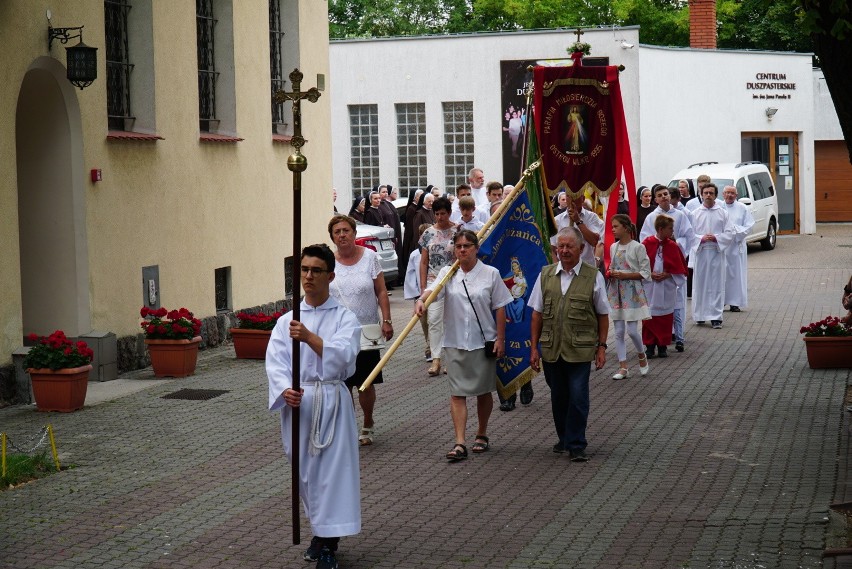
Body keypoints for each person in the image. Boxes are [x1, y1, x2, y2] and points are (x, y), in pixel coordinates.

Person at [266, 244, 361, 569]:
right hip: (300, 406)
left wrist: (310, 338)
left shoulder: (344, 317)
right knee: (305, 475)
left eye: (315, 270)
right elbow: (276, 362)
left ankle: (327, 545)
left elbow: (346, 359)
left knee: (330, 476)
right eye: (303, 270)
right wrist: (284, 389)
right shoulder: (286, 321)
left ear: (330, 276)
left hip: (331, 403)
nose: (308, 276)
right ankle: (322, 533)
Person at [415, 230, 512, 461]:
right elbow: (432, 292)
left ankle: (482, 433)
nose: (462, 250)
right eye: (458, 246)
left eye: (467, 246)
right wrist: (421, 300)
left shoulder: (491, 274)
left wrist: (500, 339)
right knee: (457, 393)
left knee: (482, 391)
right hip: (455, 341)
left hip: (482, 341)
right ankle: (459, 441)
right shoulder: (448, 273)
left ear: (476, 248)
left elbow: (500, 307)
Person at [530, 227, 610, 462]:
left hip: (581, 349)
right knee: (559, 397)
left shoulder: (593, 275)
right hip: (552, 349)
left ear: (581, 249)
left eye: (569, 246)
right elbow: (536, 314)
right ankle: (564, 437)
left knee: (578, 396)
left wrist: (602, 347)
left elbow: (603, 314)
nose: (564, 251)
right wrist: (534, 348)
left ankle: (577, 443)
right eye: (560, 247)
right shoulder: (545, 275)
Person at [327, 215, 394, 447]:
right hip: (337, 333)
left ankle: (367, 422)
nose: (342, 235)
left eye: (346, 230)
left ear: (355, 233)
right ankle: (346, 426)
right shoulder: (329, 262)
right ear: (332, 237)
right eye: (337, 232)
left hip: (367, 332)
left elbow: (382, 291)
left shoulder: (370, 258)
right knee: (342, 383)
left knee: (365, 382)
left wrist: (386, 320)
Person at [606, 214, 651, 379]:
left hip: (631, 293)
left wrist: (625, 275)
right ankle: (623, 366)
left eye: (616, 226)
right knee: (618, 331)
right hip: (616, 292)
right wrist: (610, 273)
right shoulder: (613, 247)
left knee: (632, 331)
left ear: (626, 227)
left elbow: (645, 272)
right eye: (612, 227)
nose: (613, 230)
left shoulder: (638, 247)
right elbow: (612, 266)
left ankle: (641, 354)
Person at [419, 197, 457, 376]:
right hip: (433, 282)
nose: (440, 217)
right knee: (433, 320)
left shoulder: (458, 231)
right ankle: (436, 359)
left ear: (449, 213)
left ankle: (451, 359)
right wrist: (422, 285)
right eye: (437, 214)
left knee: (452, 320)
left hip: (454, 280)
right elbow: (424, 261)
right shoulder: (428, 233)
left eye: (443, 213)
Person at [641, 215, 688, 358]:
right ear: (660, 229)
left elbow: (681, 269)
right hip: (650, 286)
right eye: (670, 229)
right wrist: (649, 274)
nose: (672, 231)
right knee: (649, 316)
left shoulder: (673, 246)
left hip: (667, 286)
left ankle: (662, 346)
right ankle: (649, 346)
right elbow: (638, 264)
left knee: (666, 317)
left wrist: (668, 275)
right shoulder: (646, 244)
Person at [688, 183, 734, 329]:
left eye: (711, 193)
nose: (708, 195)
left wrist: (716, 238)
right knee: (700, 284)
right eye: (705, 192)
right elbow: (689, 234)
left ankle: (716, 317)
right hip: (701, 252)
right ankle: (700, 315)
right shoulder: (695, 213)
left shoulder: (722, 213)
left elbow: (730, 232)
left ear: (715, 195)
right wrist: (700, 238)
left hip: (716, 252)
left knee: (716, 284)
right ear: (701, 194)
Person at [722, 185, 754, 312]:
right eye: (727, 193)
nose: (729, 195)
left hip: (736, 245)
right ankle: (722, 300)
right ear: (723, 194)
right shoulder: (719, 207)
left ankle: (735, 302)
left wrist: (735, 231)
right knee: (723, 274)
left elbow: (749, 225)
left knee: (736, 274)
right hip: (723, 247)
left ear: (736, 195)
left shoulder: (742, 208)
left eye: (732, 193)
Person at [639, 185, 694, 257]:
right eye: (659, 195)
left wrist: (677, 242)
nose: (663, 196)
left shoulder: (680, 215)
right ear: (656, 200)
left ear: (670, 196)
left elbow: (689, 235)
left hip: (675, 253)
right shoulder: (651, 217)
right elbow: (644, 238)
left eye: (665, 194)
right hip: (657, 255)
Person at [405, 223, 433, 362]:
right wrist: (416, 296)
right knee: (425, 322)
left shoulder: (436, 250)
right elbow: (411, 275)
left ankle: (431, 348)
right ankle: (429, 344)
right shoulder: (415, 255)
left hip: (434, 290)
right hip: (421, 293)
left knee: (434, 321)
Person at [552, 195, 604, 266]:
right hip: (563, 268)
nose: (572, 199)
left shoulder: (592, 217)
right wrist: (557, 268)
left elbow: (594, 241)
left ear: (583, 199)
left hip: (586, 267)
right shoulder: (557, 220)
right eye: (568, 196)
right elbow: (552, 248)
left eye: (576, 195)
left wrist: (578, 220)